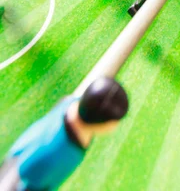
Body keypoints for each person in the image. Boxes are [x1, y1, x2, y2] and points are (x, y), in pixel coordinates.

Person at [0, 77, 129, 190]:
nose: (115, 126)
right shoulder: (55, 154)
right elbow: (16, 180)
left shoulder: (72, 103)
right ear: (102, 123)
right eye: (114, 122)